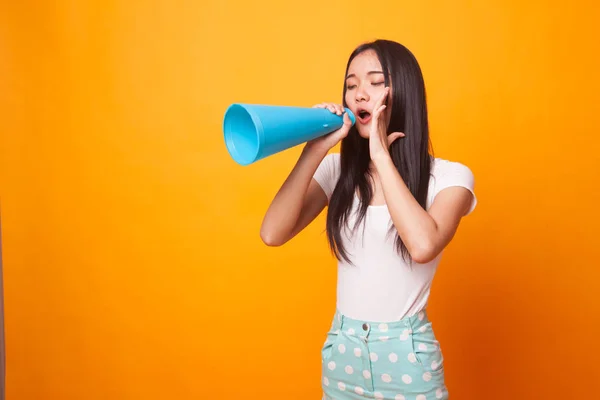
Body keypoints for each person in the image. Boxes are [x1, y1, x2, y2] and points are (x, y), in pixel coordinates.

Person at [260, 39, 477, 400]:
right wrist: (315, 149)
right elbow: (272, 232)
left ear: (403, 93)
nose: (360, 94)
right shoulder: (338, 172)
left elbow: (423, 246)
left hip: (407, 357)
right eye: (351, 84)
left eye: (375, 82)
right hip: (342, 354)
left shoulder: (450, 178)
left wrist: (380, 154)